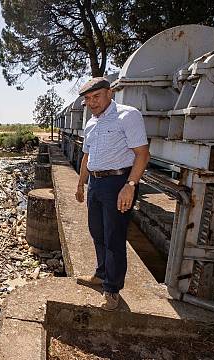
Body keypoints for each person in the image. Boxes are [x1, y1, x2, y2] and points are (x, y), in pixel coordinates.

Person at [74, 77, 150, 311]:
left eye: (96, 96)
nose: (92, 102)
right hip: (95, 184)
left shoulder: (128, 115)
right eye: (88, 99)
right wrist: (80, 184)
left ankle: (112, 290)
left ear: (109, 93)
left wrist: (131, 184)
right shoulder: (91, 123)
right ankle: (100, 273)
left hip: (118, 182)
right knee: (97, 232)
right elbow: (86, 156)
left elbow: (142, 154)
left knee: (114, 237)